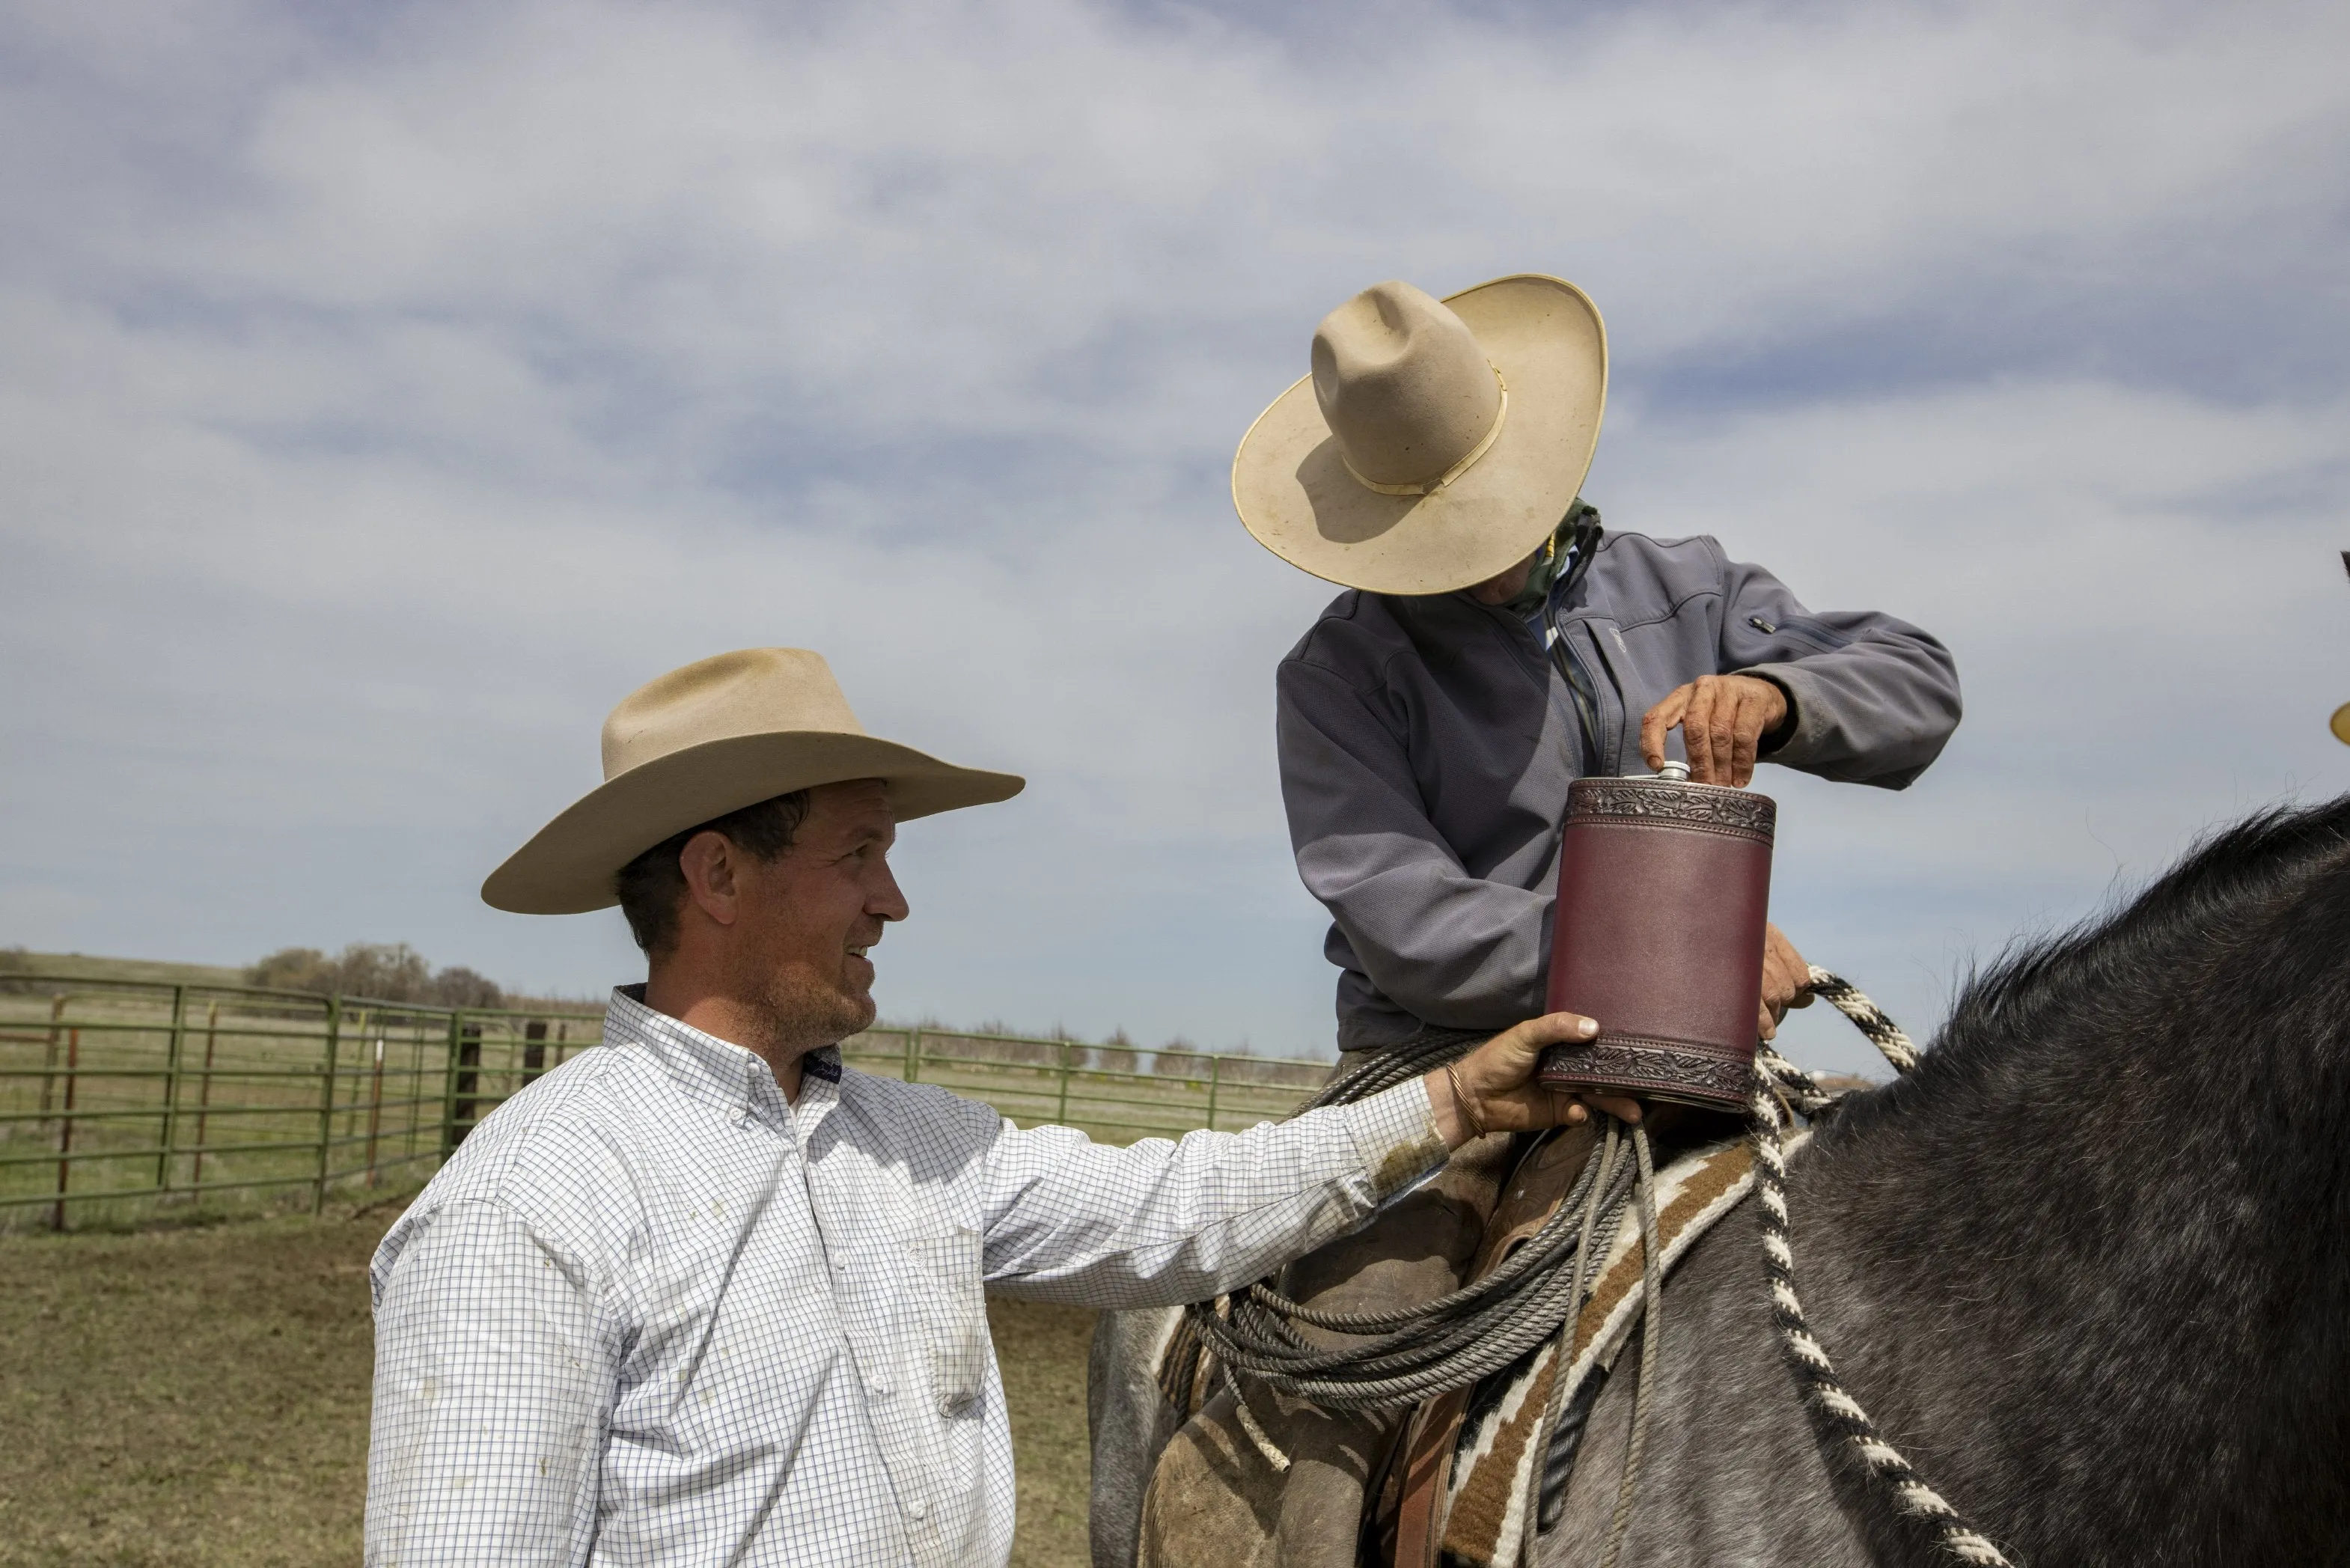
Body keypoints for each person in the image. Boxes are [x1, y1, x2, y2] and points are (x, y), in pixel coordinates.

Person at [363, 647, 1614, 1568]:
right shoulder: (529, 1206)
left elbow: (1183, 1208)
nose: (892, 902)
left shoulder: (917, 1149)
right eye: (859, 855)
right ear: (719, 874)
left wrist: (1451, 1100)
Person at [1232, 275, 1962, 1058]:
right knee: (1409, 1186)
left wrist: (1778, 696)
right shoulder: (1337, 676)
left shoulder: (1684, 586)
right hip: (1443, 1054)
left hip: (1676, 1031)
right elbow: (1407, 920)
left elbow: (1915, 681)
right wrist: (1672, 954)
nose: (1481, 569)